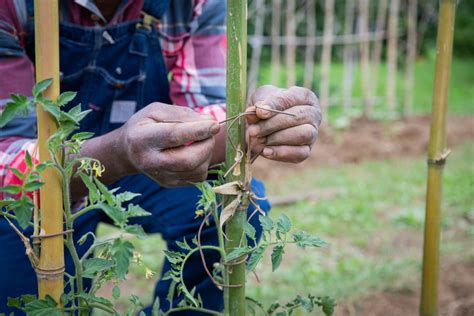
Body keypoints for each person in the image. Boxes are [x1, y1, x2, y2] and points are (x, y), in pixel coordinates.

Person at [0, 0, 321, 314]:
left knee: (234, 206)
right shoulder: (13, 6)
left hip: (148, 160)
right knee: (42, 296)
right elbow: (7, 152)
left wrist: (257, 125)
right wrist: (117, 153)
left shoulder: (197, 3)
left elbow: (206, 110)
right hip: (41, 178)